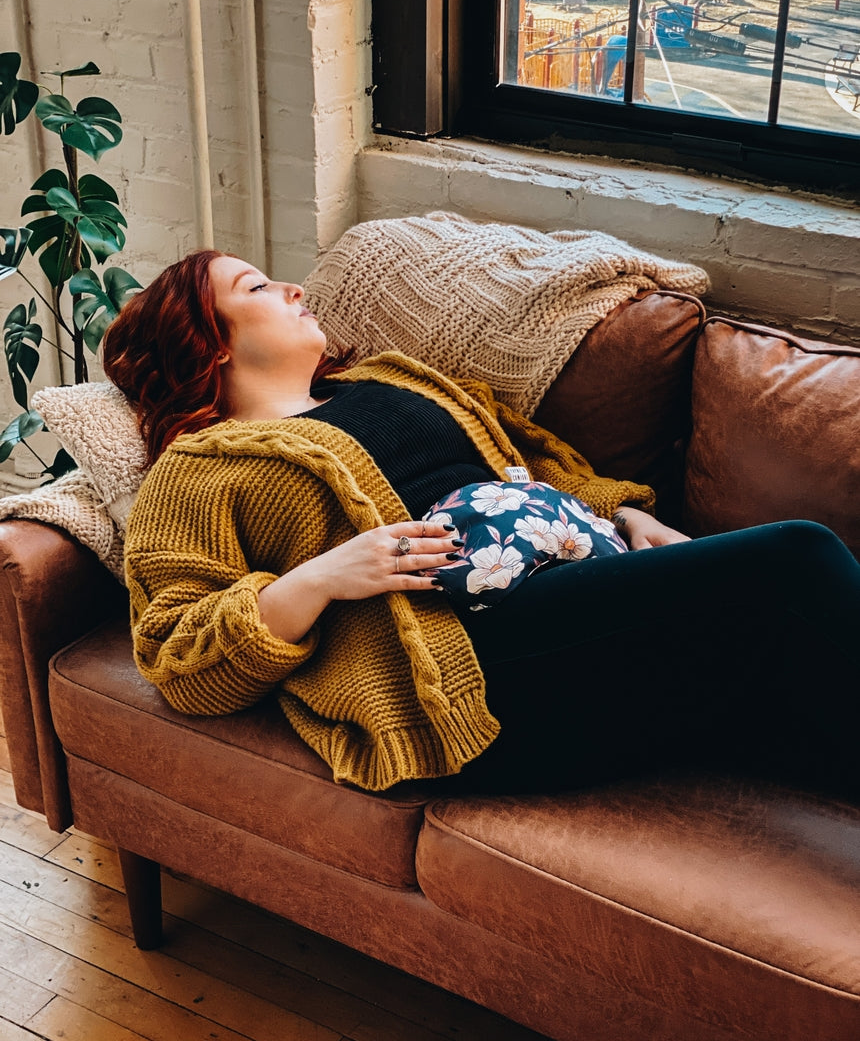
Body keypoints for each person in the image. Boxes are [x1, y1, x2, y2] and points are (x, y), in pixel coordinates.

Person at [103, 250, 860, 798]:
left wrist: (627, 515)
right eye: (258, 285)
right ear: (210, 340)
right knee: (796, 556)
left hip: (573, 594)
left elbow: (531, 464)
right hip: (470, 666)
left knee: (785, 687)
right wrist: (318, 580)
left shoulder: (390, 378)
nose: (294, 286)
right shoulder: (197, 470)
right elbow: (176, 657)